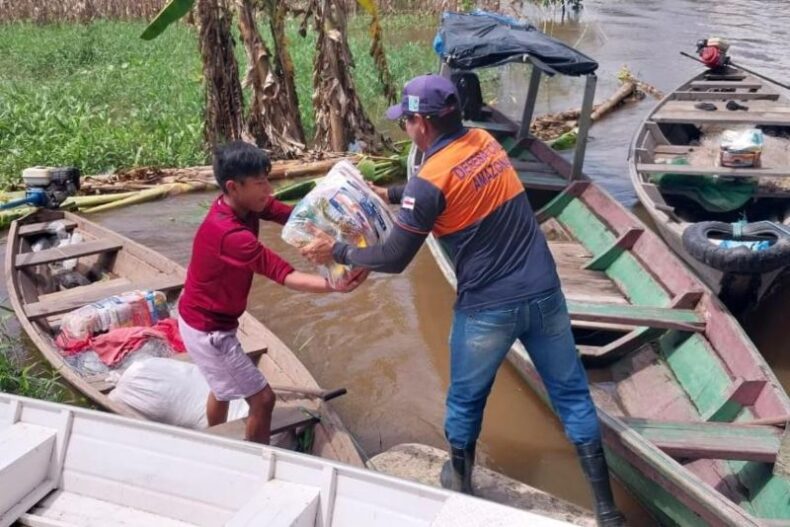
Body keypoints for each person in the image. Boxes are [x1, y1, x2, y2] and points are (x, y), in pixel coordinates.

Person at [301, 75, 624, 526]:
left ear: (424, 125)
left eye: (407, 121)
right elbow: (447, 189)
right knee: (572, 396)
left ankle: (460, 482)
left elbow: (394, 258)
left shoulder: (428, 182)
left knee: (466, 401)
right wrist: (390, 193)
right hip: (545, 293)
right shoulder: (486, 142)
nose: (406, 129)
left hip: (488, 307)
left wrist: (335, 251)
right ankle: (607, 513)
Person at [178, 141, 367, 445]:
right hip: (208, 330)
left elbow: (295, 218)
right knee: (263, 400)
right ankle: (258, 461)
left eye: (268, 180)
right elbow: (285, 274)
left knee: (222, 387)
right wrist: (335, 285)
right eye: (259, 183)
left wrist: (335, 227)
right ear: (233, 187)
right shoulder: (229, 234)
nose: (268, 189)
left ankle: (215, 438)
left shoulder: (244, 204)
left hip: (209, 318)